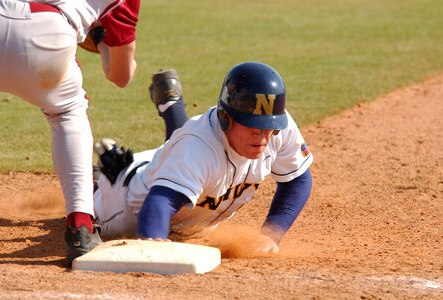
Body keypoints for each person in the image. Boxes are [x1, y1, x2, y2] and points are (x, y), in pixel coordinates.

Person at [93, 62, 313, 253]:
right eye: (253, 125)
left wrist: (270, 235)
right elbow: (158, 203)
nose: (263, 135)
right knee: (90, 207)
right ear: (226, 118)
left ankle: (172, 107)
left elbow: (298, 180)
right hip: (128, 205)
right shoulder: (196, 148)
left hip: (179, 169)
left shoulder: (278, 126)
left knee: (186, 160)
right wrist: (155, 247)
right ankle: (104, 179)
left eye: (269, 127)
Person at [0, 0, 140, 265]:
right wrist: (101, 39)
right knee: (68, 113)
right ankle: (81, 225)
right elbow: (120, 76)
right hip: (48, 36)